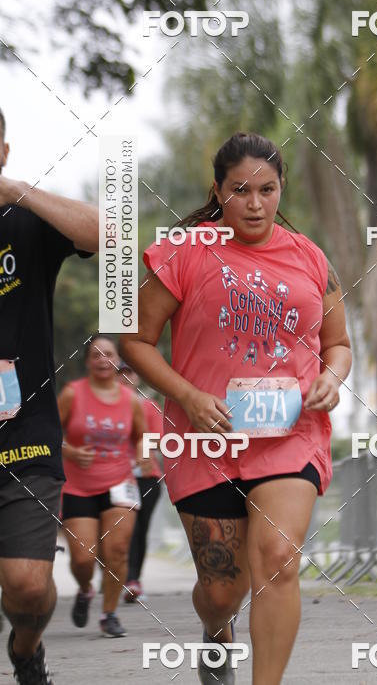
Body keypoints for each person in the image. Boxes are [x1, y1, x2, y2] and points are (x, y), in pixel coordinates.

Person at [120, 132, 352, 685]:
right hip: (207, 438)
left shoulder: (310, 257)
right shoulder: (186, 250)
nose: (255, 204)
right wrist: (188, 396)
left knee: (277, 560)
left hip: (289, 434)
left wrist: (332, 377)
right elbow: (135, 340)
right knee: (223, 591)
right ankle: (216, 629)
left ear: (281, 189)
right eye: (240, 190)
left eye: (267, 190)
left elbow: (339, 344)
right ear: (218, 191)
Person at [0, 107, 98, 684]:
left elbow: (106, 231)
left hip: (26, 437)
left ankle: (25, 650)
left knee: (29, 588)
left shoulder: (24, 221)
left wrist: (22, 192)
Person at [57, 335, 146, 638]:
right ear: (87, 362)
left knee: (117, 550)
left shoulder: (131, 400)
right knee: (83, 558)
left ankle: (109, 614)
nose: (102, 360)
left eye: (108, 354)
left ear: (118, 360)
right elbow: (50, 434)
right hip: (78, 486)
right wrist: (69, 451)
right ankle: (85, 590)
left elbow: (141, 439)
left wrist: (145, 459)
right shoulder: (73, 394)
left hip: (120, 484)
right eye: (95, 355)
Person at [117, 362, 163, 603]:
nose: (125, 378)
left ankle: (133, 580)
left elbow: (159, 440)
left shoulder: (149, 406)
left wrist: (141, 449)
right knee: (123, 528)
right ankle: (119, 577)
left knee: (138, 528)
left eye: (130, 372)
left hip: (146, 478)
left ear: (137, 376)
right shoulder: (107, 408)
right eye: (120, 373)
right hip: (114, 478)